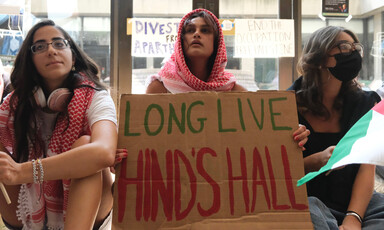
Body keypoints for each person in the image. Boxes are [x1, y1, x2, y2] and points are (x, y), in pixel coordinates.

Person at [0, 19, 117, 230]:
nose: (51, 50)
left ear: (73, 56)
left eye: (59, 43)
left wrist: (23, 172)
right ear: (31, 61)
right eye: (40, 47)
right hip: (24, 213)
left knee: (86, 144)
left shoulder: (97, 97)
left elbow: (104, 152)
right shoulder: (11, 105)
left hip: (91, 214)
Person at [144, 8, 309, 146]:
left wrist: (292, 133)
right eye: (190, 30)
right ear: (181, 40)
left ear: (217, 42)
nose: (196, 34)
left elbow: (265, 133)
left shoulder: (235, 92)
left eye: (205, 30)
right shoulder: (159, 88)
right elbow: (144, 141)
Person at [289, 26, 384, 229]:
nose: (352, 53)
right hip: (306, 201)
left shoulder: (366, 102)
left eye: (356, 48)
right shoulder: (286, 104)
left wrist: (353, 218)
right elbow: (276, 171)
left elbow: (367, 167)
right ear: (320, 56)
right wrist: (315, 161)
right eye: (343, 47)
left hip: (358, 202)